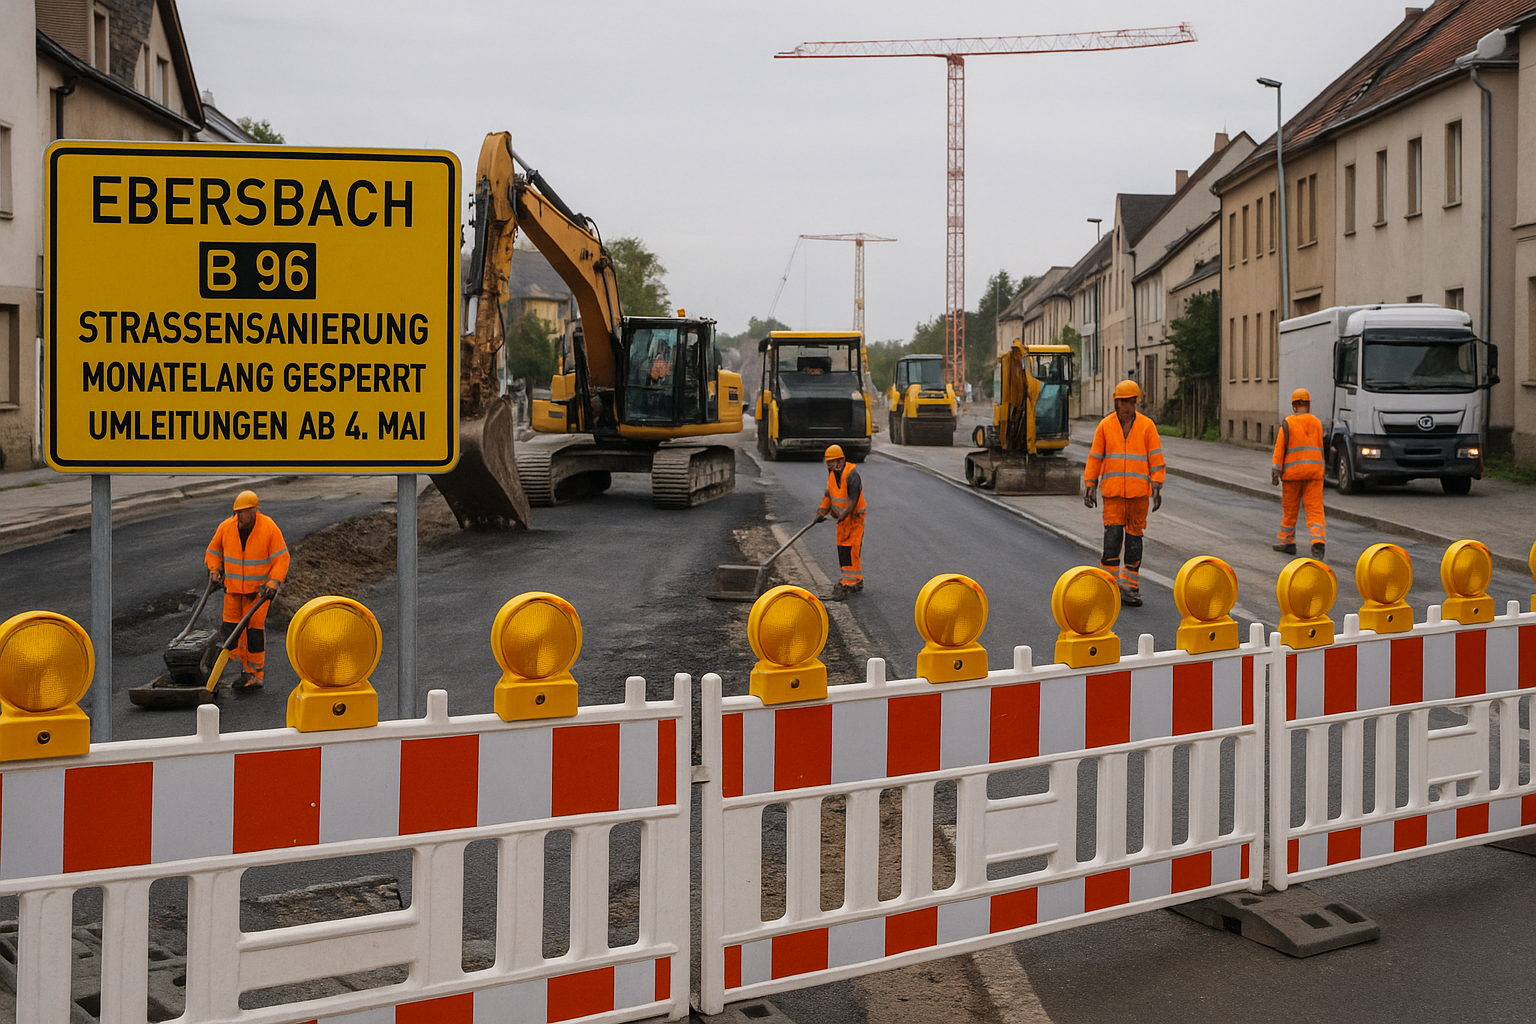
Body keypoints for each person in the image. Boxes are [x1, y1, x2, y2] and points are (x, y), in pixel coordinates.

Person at [1083, 380, 1164, 607]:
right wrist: (1090, 483)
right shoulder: (1105, 426)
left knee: (1134, 541)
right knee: (1112, 538)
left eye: (1130, 402)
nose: (1126, 406)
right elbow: (1095, 457)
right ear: (1116, 402)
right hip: (1114, 494)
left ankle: (1130, 587)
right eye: (1122, 402)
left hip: (1139, 495)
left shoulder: (1147, 427)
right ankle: (1108, 585)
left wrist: (1157, 483)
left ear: (1135, 402)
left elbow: (1156, 458)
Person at [205, 490, 289, 690]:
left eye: (243, 512)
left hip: (258, 594)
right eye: (237, 512)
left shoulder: (268, 528)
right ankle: (234, 671)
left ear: (254, 511)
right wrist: (214, 569)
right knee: (231, 632)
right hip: (233, 592)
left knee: (253, 633)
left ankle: (254, 674)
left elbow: (281, 559)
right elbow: (213, 550)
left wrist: (273, 582)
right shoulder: (227, 528)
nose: (239, 517)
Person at [1272, 387, 1327, 559]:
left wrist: (1276, 470)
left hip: (1292, 475)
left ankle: (1288, 542)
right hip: (1314, 474)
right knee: (1315, 509)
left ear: (1294, 406)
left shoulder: (1288, 423)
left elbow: (1280, 448)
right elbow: (1320, 447)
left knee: (1290, 509)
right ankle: (1318, 542)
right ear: (1308, 405)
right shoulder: (1317, 423)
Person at [815, 444, 866, 601]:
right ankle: (857, 580)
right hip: (842, 520)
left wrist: (843, 514)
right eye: (829, 462)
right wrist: (821, 512)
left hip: (854, 518)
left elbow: (853, 500)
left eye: (835, 462)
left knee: (850, 550)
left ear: (842, 460)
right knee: (843, 549)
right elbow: (828, 496)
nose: (832, 465)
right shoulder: (832, 475)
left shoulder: (852, 475)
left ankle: (847, 583)